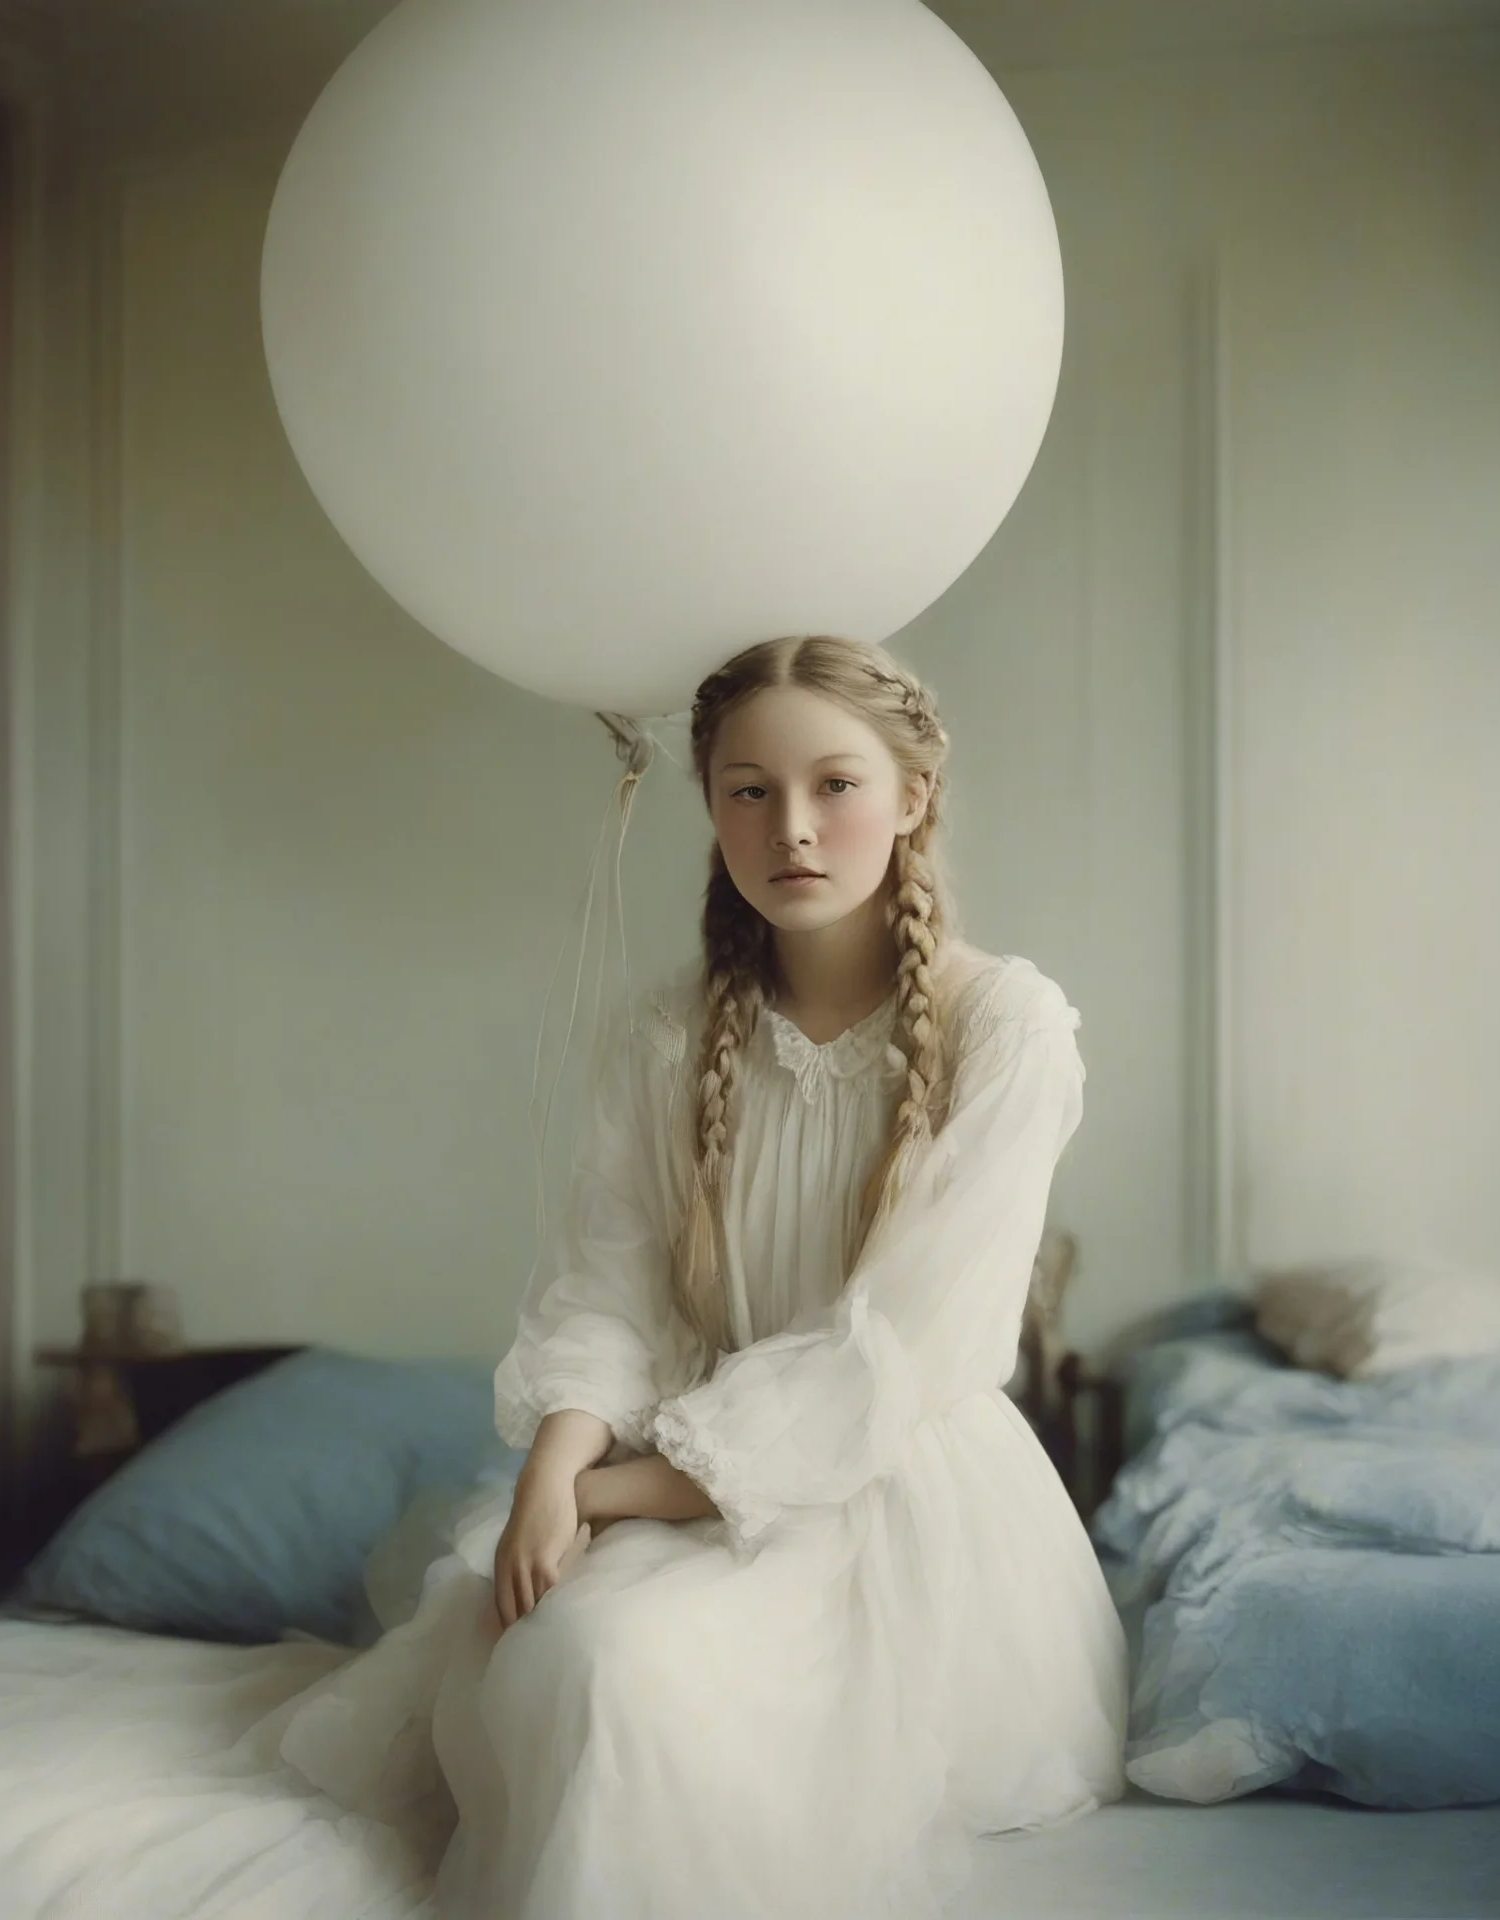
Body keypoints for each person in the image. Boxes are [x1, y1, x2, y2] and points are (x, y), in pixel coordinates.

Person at [274, 635, 1128, 1919]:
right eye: (748, 790)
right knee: (547, 1656)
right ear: (712, 809)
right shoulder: (671, 1033)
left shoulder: (1005, 1028)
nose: (791, 828)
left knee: (623, 1678)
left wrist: (614, 1489)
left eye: (835, 784)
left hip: (888, 1498)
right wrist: (557, 1465)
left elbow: (902, 1350)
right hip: (679, 1468)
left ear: (913, 796)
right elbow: (608, 1282)